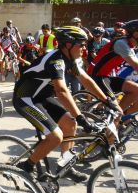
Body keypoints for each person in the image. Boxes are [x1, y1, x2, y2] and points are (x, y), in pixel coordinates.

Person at [14, 26, 121, 182]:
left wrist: (107, 100)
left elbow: (86, 80)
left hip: (41, 97)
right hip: (25, 98)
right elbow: (62, 91)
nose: (84, 48)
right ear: (68, 45)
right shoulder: (56, 61)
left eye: (85, 44)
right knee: (56, 137)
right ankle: (27, 167)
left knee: (70, 124)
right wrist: (81, 117)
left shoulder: (70, 60)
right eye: (81, 44)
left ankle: (66, 165)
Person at [88, 20, 138, 115]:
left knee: (136, 90)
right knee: (115, 107)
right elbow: (135, 65)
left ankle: (119, 117)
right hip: (98, 75)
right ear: (135, 33)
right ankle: (114, 120)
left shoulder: (130, 46)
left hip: (106, 76)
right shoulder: (121, 44)